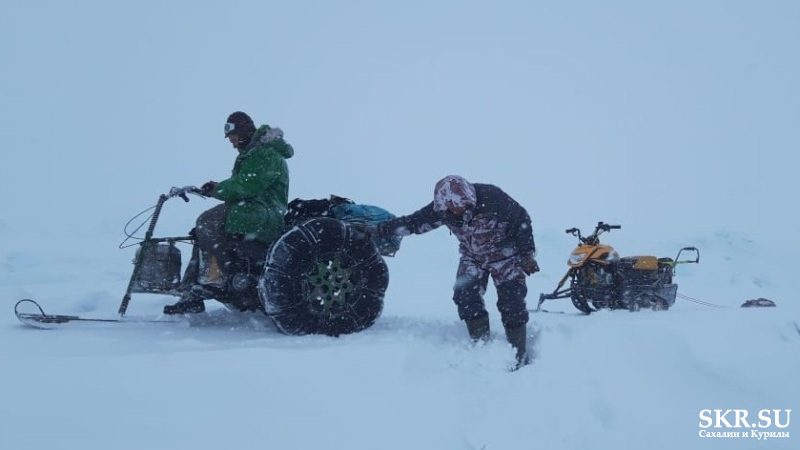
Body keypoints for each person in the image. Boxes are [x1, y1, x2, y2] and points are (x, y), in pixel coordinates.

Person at [369, 175, 538, 367]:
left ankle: (518, 352)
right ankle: (481, 343)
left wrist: (527, 254)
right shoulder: (441, 210)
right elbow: (413, 222)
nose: (462, 210)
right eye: (456, 207)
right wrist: (378, 230)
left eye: (465, 205)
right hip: (473, 256)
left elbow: (521, 219)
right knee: (465, 295)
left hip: (505, 253)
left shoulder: (492, 197)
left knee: (512, 300)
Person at [164, 111, 294, 314]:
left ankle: (219, 277)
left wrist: (217, 189)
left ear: (244, 132)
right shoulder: (254, 153)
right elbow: (244, 184)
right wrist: (218, 187)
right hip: (253, 209)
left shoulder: (266, 154)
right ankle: (193, 291)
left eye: (233, 139)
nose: (232, 144)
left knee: (207, 223)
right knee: (202, 231)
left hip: (264, 213)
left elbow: (247, 185)